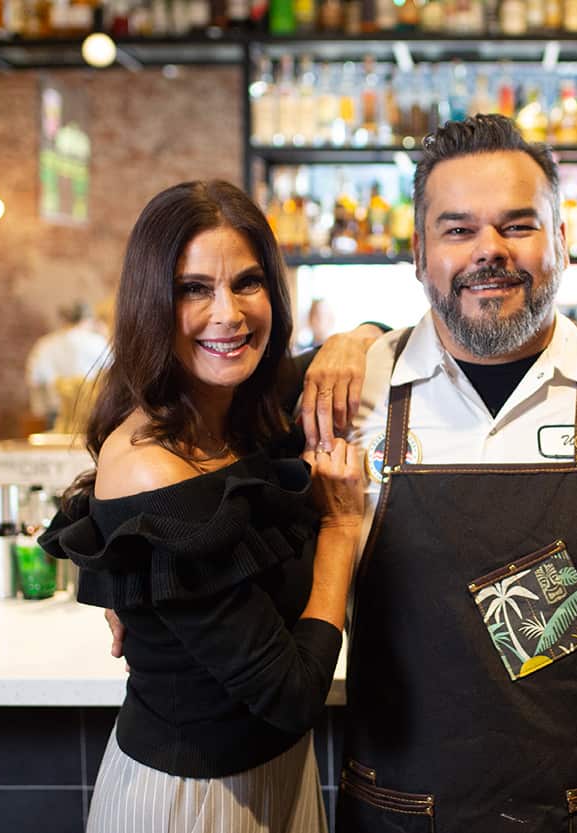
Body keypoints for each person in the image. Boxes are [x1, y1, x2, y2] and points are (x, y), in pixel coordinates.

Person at [329, 114, 577, 831]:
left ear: (562, 241)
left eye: (518, 225)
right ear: (418, 250)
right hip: (403, 814)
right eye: (458, 229)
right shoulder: (351, 394)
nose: (488, 252)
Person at [39, 180, 364, 833]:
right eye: (194, 288)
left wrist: (353, 336)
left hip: (278, 777)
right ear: (150, 303)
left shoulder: (241, 411)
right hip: (192, 801)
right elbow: (293, 694)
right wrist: (340, 525)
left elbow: (396, 336)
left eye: (247, 282)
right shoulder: (152, 465)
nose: (228, 313)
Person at [25, 299, 111, 430]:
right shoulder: (97, 342)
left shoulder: (45, 345)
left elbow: (34, 379)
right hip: (90, 413)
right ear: (87, 320)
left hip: (57, 414)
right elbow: (112, 376)